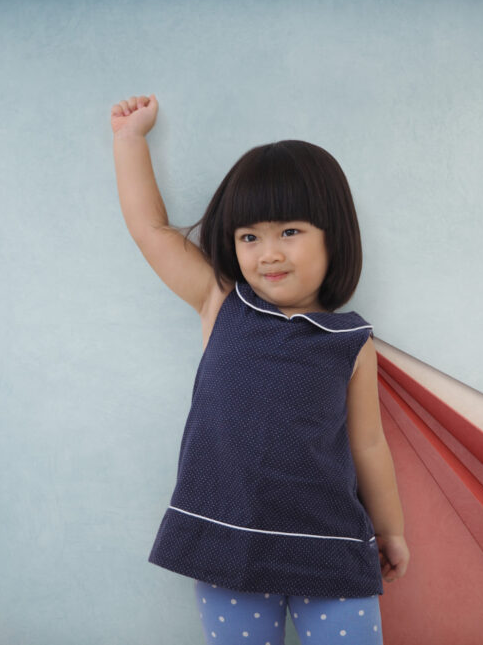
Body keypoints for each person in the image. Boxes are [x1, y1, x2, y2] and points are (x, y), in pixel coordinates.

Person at [111, 94, 410, 645]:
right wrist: (130, 140)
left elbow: (369, 446)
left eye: (289, 232)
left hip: (332, 547)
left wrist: (390, 530)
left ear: (331, 237)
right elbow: (151, 231)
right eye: (250, 237)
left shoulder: (351, 342)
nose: (268, 253)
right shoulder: (221, 303)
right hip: (231, 545)